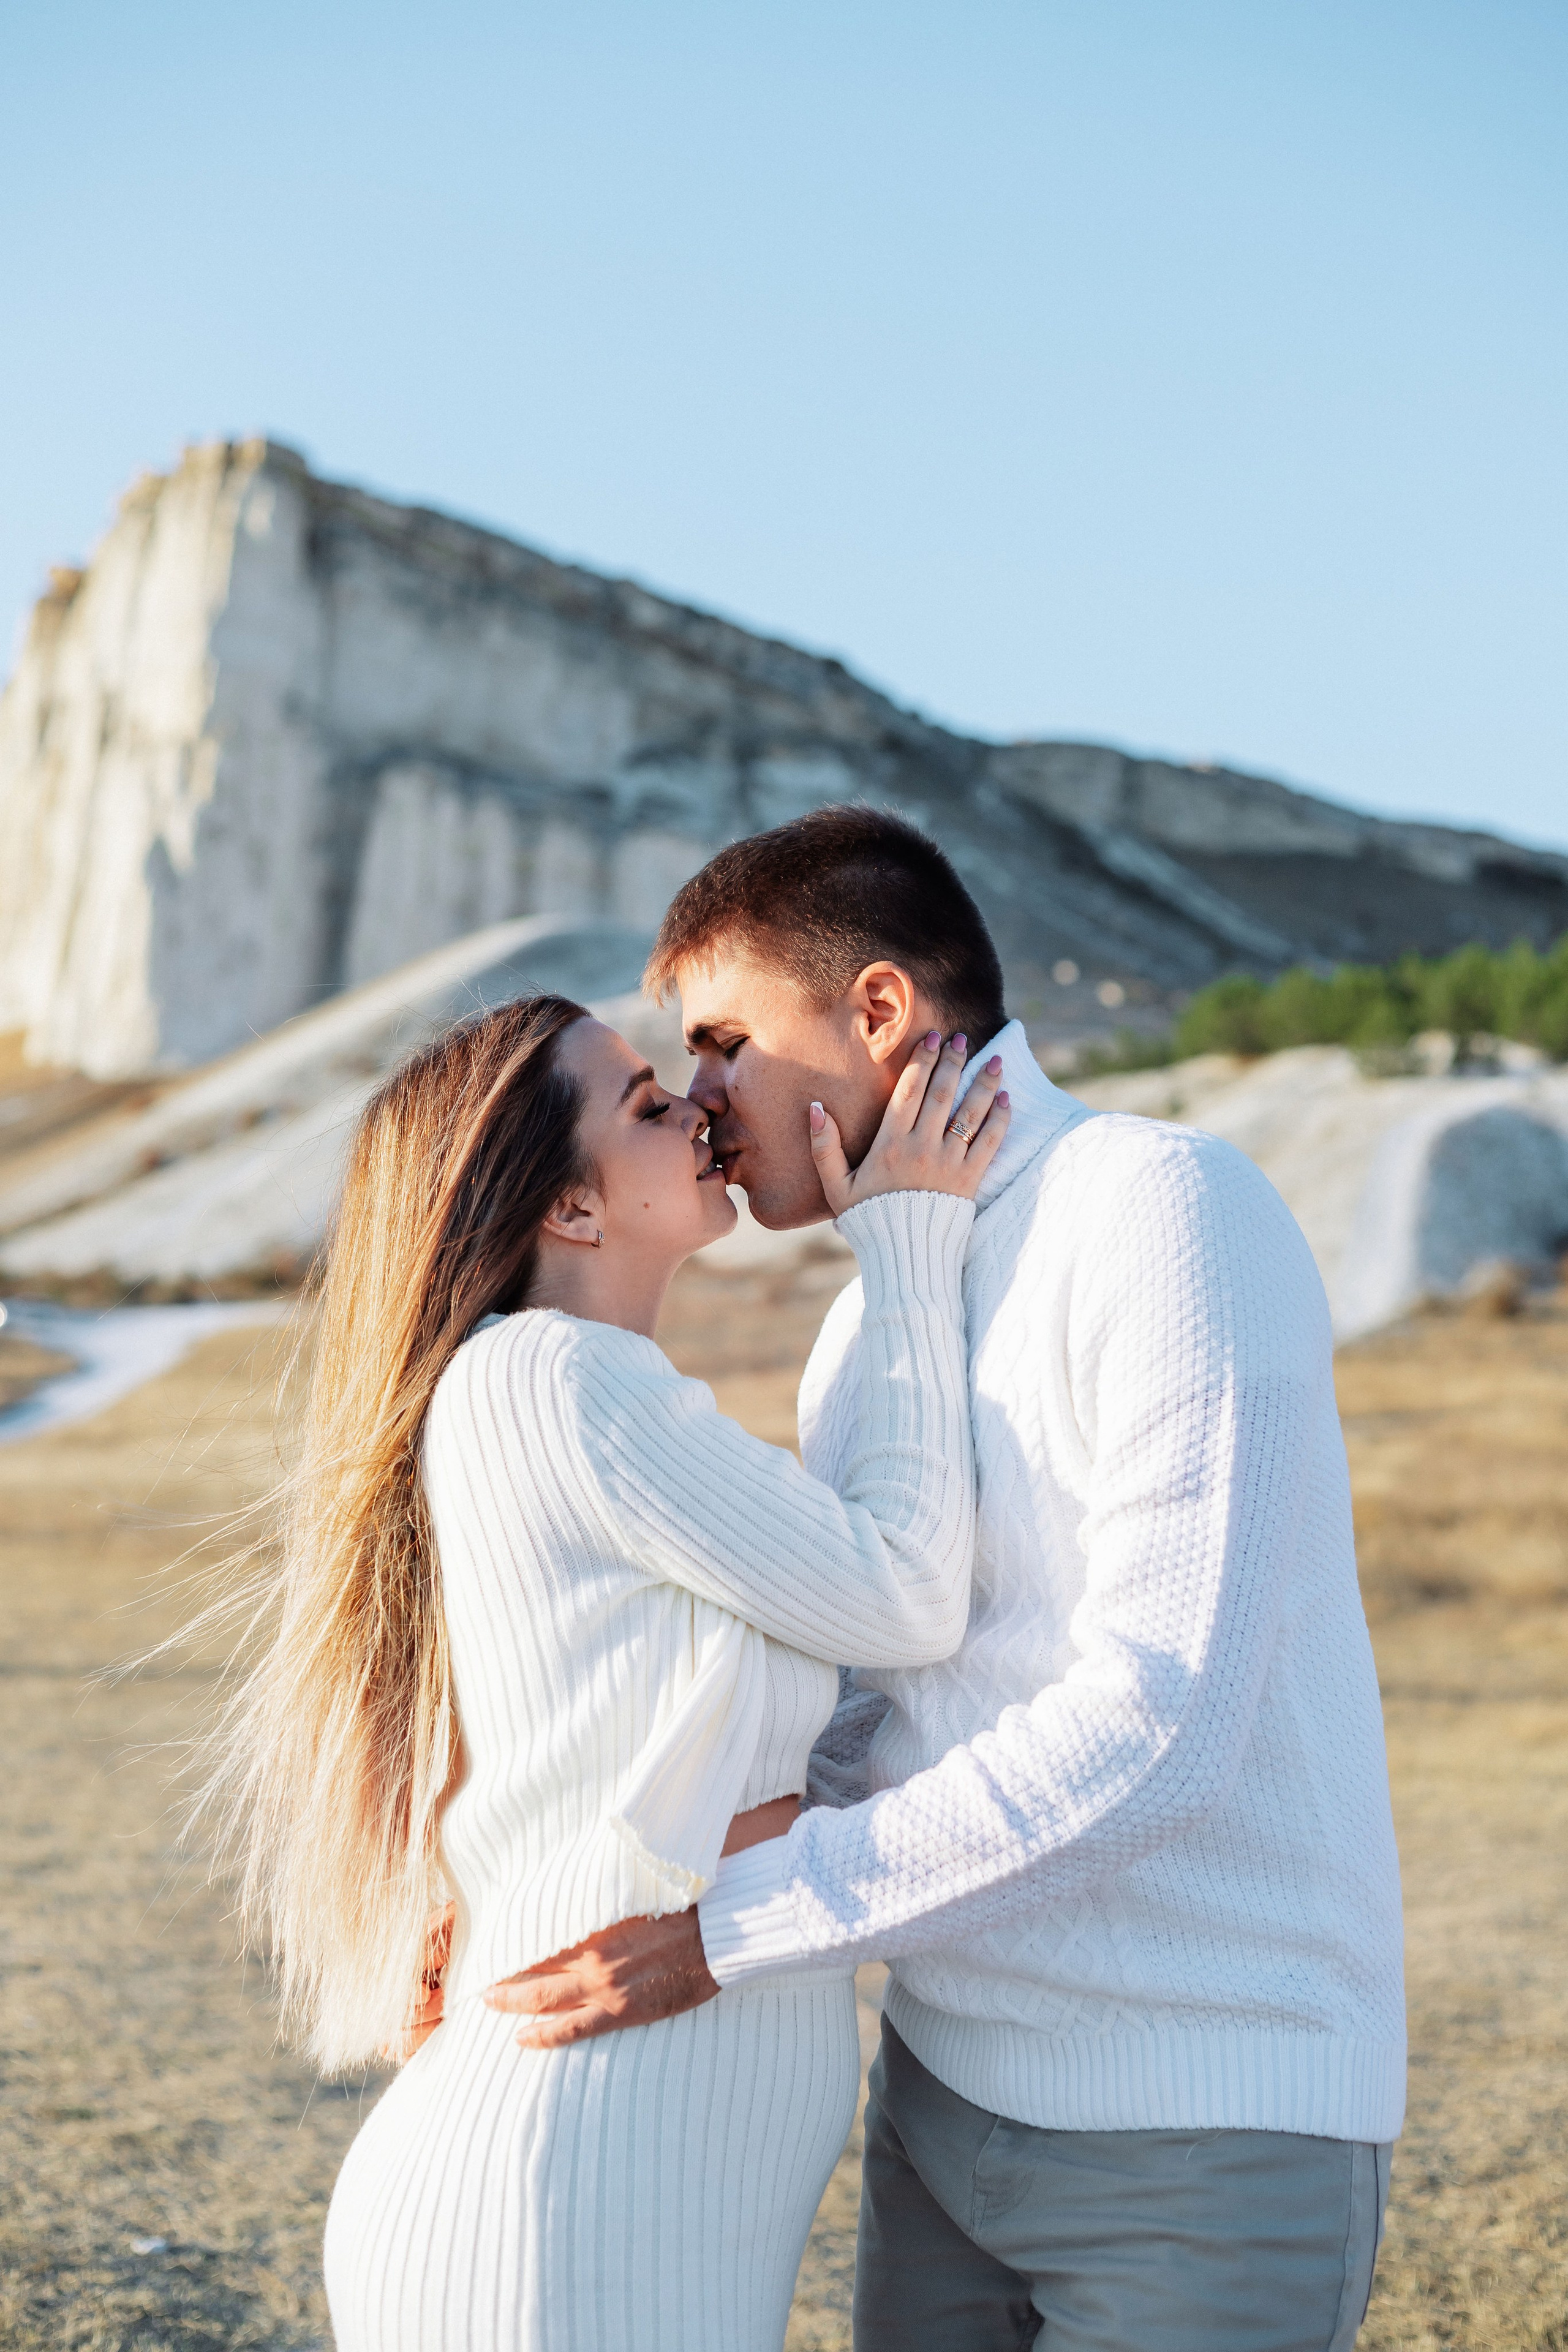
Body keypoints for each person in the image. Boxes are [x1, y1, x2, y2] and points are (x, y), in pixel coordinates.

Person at [486, 807, 1408, 2352]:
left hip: (1201, 2127)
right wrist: (536, 1888)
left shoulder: (1160, 1205)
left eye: (720, 1044)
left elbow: (1156, 1723)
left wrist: (730, 1929)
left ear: (875, 1012)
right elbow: (863, 1718)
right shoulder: (869, 1324)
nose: (699, 1103)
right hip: (938, 2110)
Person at [194, 983, 1009, 2352]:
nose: (697, 1105)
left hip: (622, 2198)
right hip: (563, 2203)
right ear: (568, 1210)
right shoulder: (554, 1382)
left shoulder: (577, 1392)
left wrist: (792, 1822)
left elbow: (719, 1737)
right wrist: (909, 1243)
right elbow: (907, 1593)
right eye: (644, 1102)